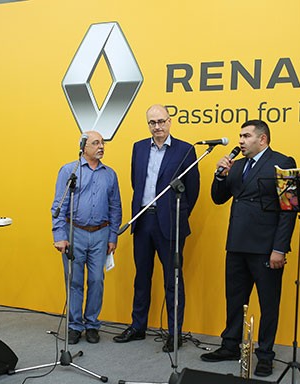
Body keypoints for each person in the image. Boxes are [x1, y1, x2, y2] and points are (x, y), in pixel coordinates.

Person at [200, 120, 296, 377]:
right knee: (234, 299)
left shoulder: (283, 162)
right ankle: (230, 345)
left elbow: (289, 210)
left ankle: (265, 354)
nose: (240, 141)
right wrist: (220, 175)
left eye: (246, 136)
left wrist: (279, 248)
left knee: (268, 303)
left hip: (265, 247)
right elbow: (218, 198)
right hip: (237, 244)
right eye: (240, 136)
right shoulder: (238, 165)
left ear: (262, 139)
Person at [113, 104, 200, 353]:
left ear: (170, 121)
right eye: (152, 122)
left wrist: (178, 215)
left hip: (170, 222)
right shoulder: (139, 148)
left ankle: (175, 333)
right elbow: (136, 182)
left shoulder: (185, 150)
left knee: (173, 280)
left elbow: (192, 189)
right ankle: (138, 326)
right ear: (148, 124)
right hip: (143, 220)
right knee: (141, 277)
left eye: (161, 121)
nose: (157, 126)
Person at [51, 131, 122, 344]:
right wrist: (60, 235)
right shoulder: (69, 171)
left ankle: (92, 325)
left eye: (102, 143)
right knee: (74, 281)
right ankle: (74, 326)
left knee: (96, 280)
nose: (101, 147)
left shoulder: (110, 174)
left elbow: (115, 207)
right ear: (83, 147)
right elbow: (59, 204)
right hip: (75, 232)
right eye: (96, 143)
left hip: (100, 234)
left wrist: (113, 236)